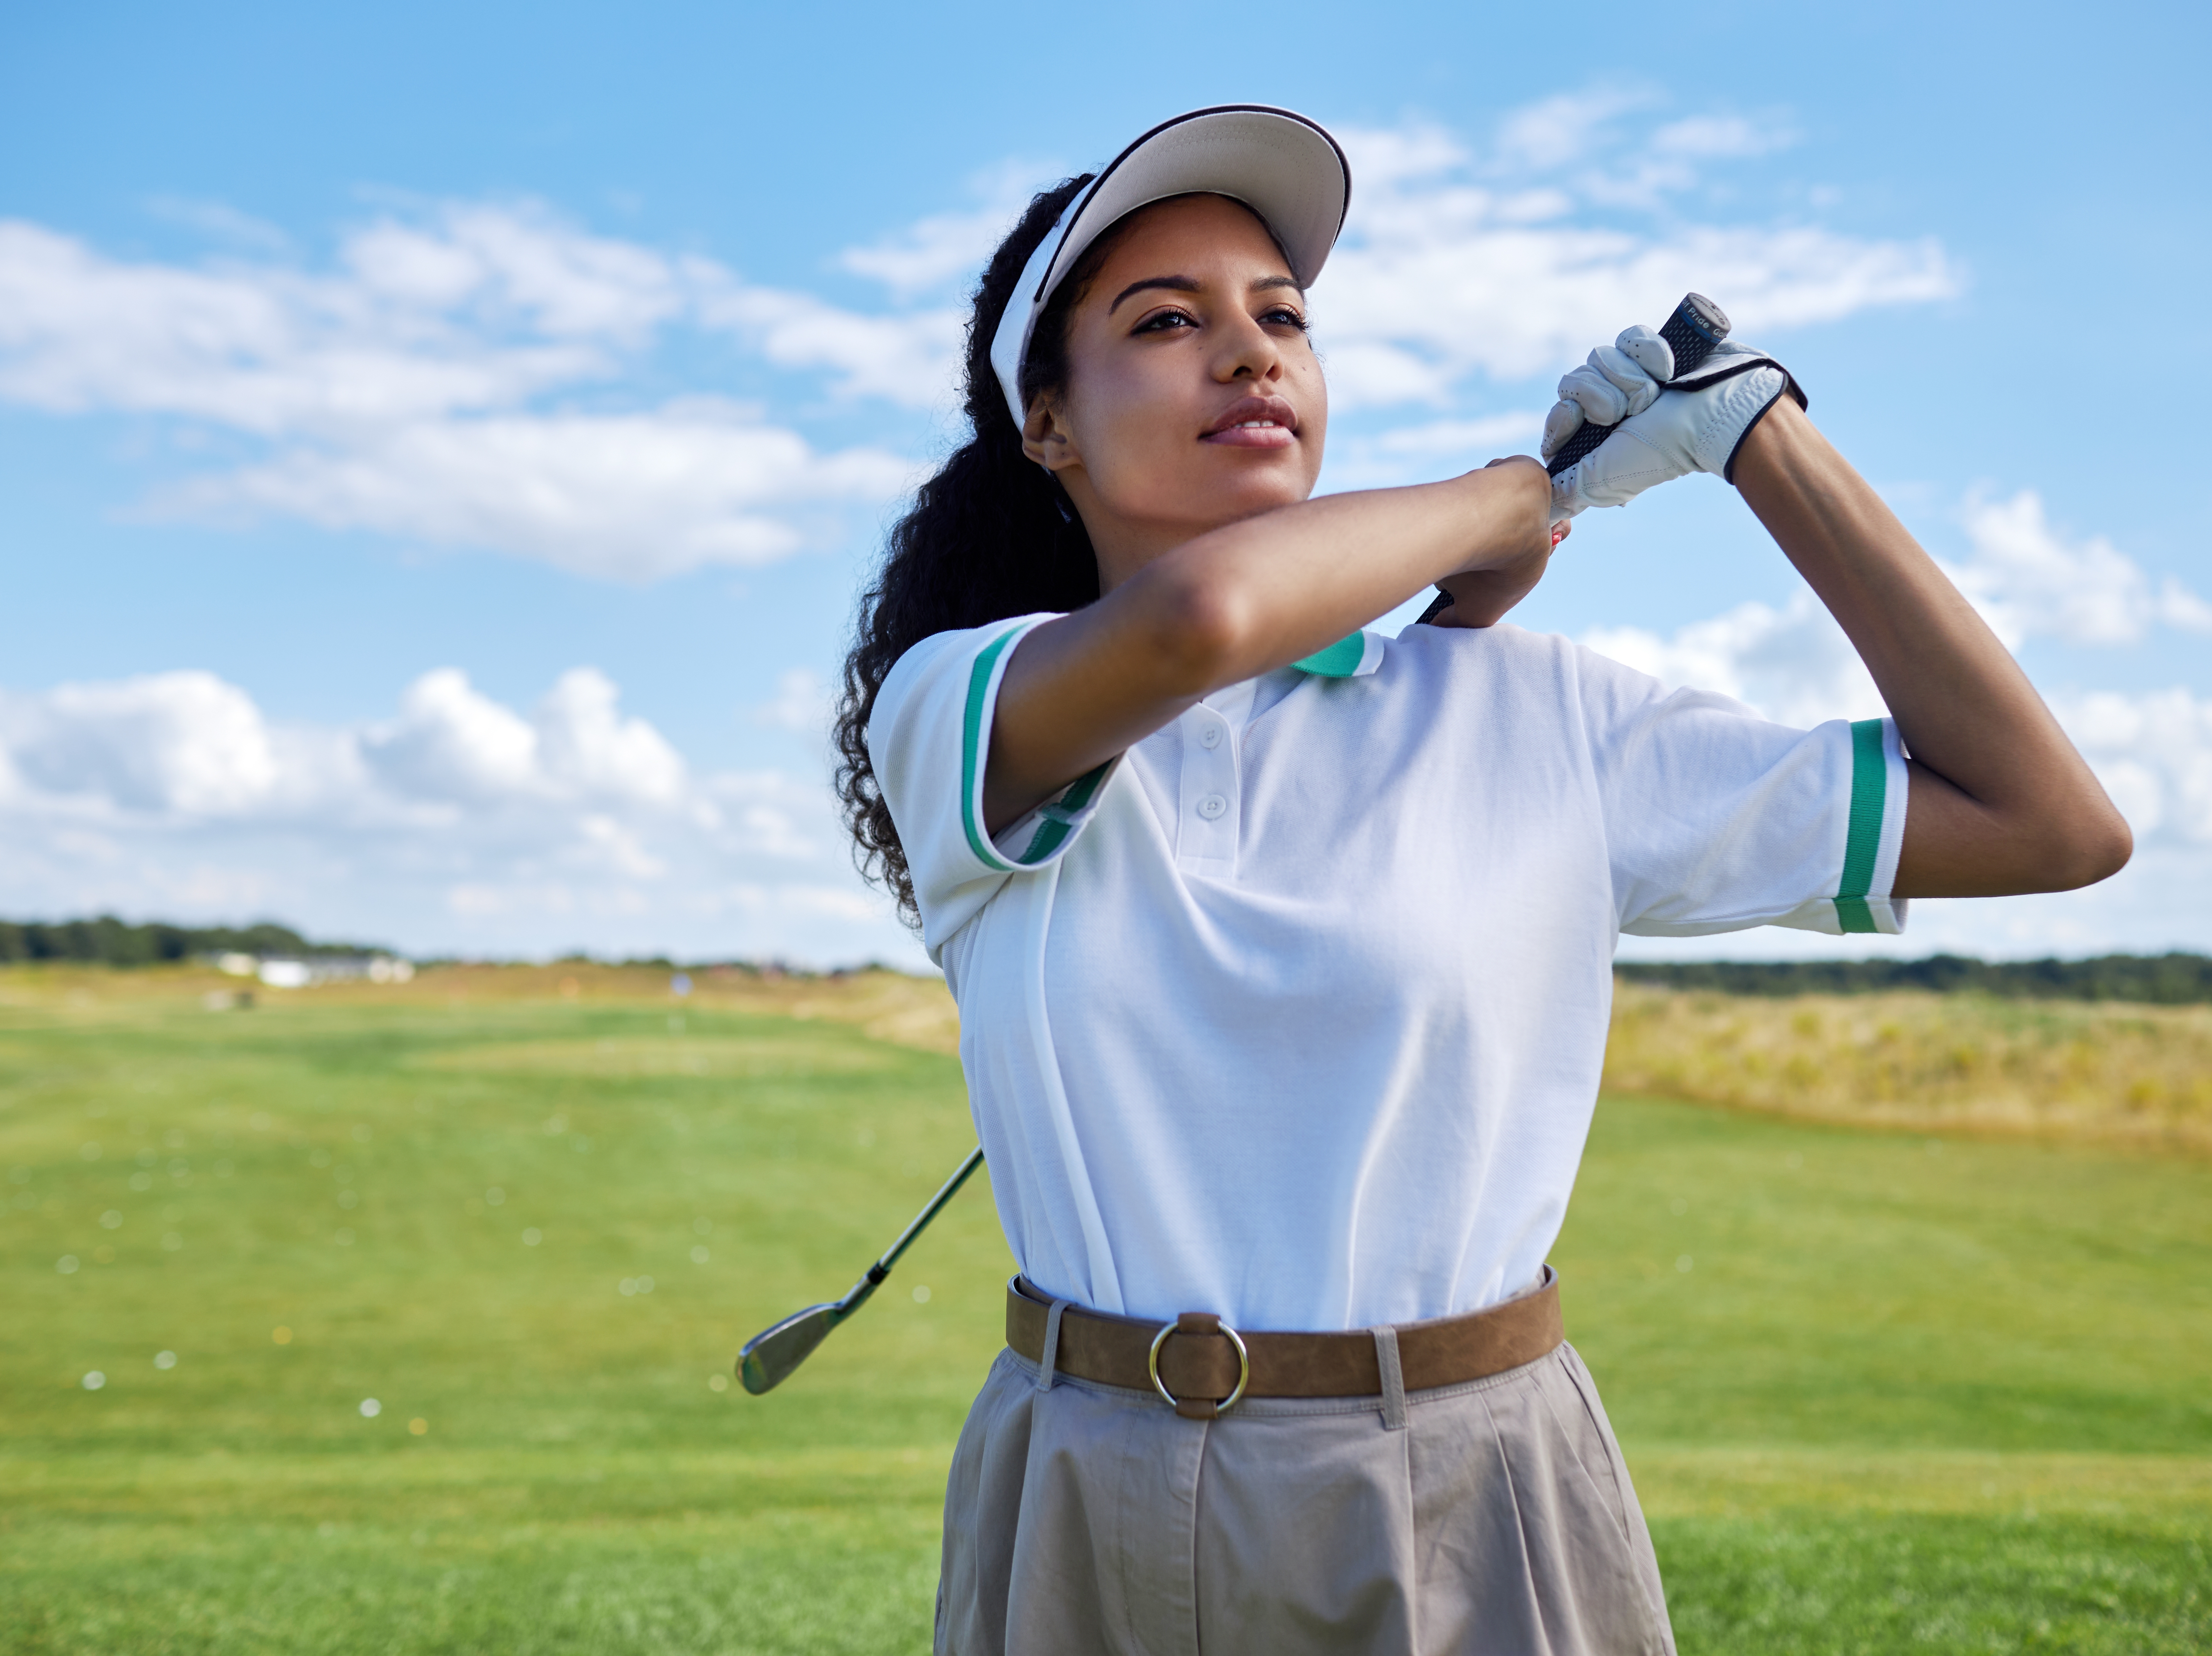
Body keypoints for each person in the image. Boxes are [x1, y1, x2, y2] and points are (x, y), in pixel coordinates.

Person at [834, 106, 2130, 1656]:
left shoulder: (1543, 714)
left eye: (1283, 318)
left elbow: (2050, 822)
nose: (1249, 355)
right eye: (1167, 322)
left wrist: (1755, 434)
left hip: (1471, 1474)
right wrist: (1527, 501)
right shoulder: (960, 705)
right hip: (1085, 1482)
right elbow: (1196, 625)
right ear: (1045, 423)